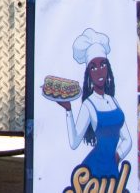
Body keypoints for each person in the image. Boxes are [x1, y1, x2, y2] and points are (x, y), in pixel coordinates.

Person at [57, 29, 132, 183]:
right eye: (93, 67)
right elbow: (74, 142)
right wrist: (68, 110)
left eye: (102, 64)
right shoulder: (89, 104)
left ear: (108, 68)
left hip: (112, 170)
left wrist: (117, 156)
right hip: (91, 173)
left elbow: (128, 140)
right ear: (88, 74)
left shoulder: (113, 100)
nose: (99, 71)